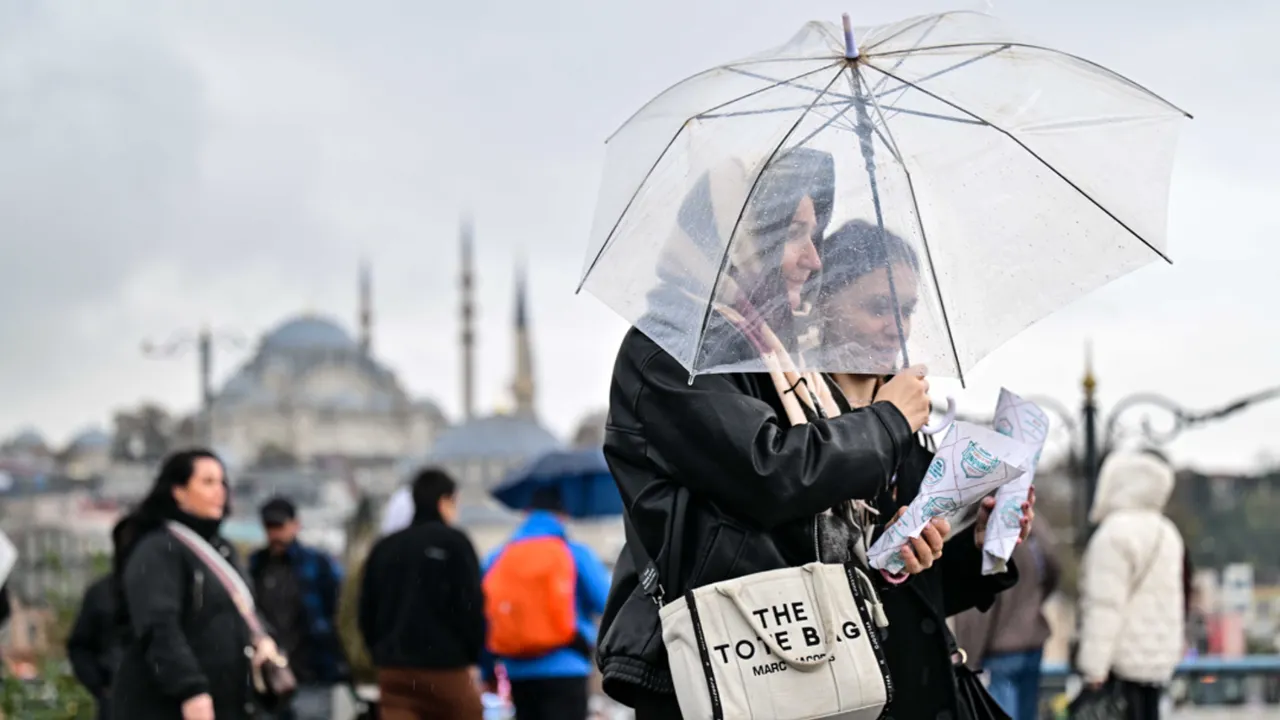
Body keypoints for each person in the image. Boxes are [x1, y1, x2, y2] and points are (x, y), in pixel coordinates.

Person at [596, 150, 1028, 718]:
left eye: (816, 234)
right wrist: (889, 421)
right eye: (795, 234)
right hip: (734, 666)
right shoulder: (674, 350)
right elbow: (769, 473)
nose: (812, 258)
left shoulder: (769, 359)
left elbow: (812, 529)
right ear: (743, 238)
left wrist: (903, 547)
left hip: (791, 662)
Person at [110, 448, 280, 720]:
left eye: (222, 482)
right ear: (178, 491)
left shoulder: (223, 550)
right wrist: (190, 689)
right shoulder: (158, 549)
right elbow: (158, 627)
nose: (220, 491)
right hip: (172, 707)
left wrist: (265, 640)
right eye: (208, 482)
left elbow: (244, 611)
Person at [358, 468, 485, 720]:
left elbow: (365, 612)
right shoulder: (455, 543)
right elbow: (471, 606)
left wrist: (382, 653)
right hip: (446, 668)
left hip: (395, 672)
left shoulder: (385, 547)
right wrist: (472, 655)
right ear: (445, 501)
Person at [479, 487, 611, 720]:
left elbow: (484, 618)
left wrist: (488, 671)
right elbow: (608, 602)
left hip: (518, 673)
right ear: (563, 516)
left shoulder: (497, 557)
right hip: (568, 669)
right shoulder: (575, 553)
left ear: (527, 513)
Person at [1075, 450, 1185, 720]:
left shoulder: (1113, 534)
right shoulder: (1168, 531)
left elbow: (1105, 606)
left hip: (1119, 665)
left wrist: (1093, 668)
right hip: (1157, 664)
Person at [248, 497, 347, 720]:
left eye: (279, 526)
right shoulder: (257, 566)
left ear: (295, 524)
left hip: (311, 671)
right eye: (269, 527)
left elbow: (332, 611)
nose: (275, 534)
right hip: (271, 675)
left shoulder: (317, 564)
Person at [953, 522, 1062, 720]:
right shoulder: (1036, 532)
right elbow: (1054, 570)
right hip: (1032, 640)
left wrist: (968, 657)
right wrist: (1035, 604)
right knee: (1027, 712)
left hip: (1000, 648)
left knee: (999, 712)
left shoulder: (985, 535)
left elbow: (975, 611)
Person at [67, 523, 130, 720]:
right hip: (114, 699)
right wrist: (100, 685)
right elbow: (79, 646)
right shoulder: (101, 593)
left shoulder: (168, 591)